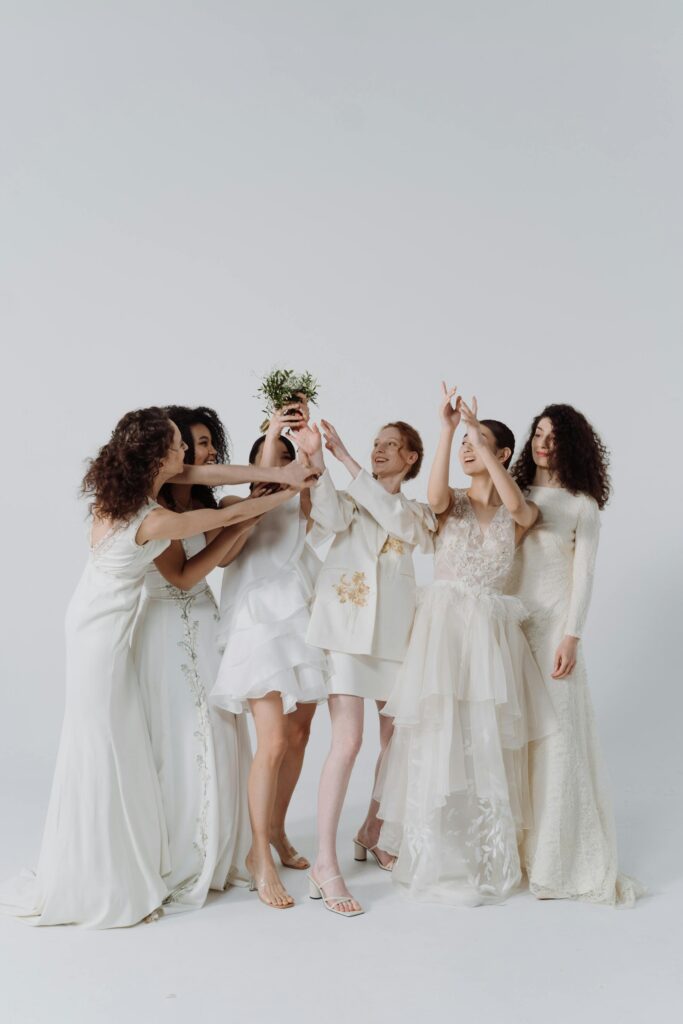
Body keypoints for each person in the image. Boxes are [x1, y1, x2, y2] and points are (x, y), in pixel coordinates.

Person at [0, 408, 314, 928]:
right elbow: (212, 520)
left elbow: (213, 478)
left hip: (96, 625)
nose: (184, 454)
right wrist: (283, 492)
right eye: (175, 444)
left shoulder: (125, 497)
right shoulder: (154, 518)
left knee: (114, 743)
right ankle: (103, 875)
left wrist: (280, 473)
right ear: (156, 455)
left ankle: (115, 857)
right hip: (98, 639)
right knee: (102, 745)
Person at [376, 386, 556, 905]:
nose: (468, 451)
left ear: (503, 455)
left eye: (480, 444)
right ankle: (432, 855)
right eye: (464, 446)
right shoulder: (449, 504)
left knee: (486, 739)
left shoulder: (521, 511)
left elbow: (518, 506)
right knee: (438, 733)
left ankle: (486, 856)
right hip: (443, 631)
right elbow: (433, 497)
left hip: (490, 637)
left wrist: (478, 428)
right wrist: (450, 428)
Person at [295, 416, 436, 916]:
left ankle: (373, 830)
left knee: (397, 741)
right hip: (346, 634)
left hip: (397, 639)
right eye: (375, 445)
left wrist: (346, 455)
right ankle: (325, 862)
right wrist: (317, 456)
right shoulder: (353, 496)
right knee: (348, 742)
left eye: (389, 446)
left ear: (411, 457)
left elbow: (399, 523)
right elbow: (328, 518)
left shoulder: (417, 511)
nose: (378, 451)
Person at [508, 404, 644, 905]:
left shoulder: (582, 505)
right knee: (512, 736)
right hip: (509, 623)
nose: (543, 443)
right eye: (538, 433)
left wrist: (572, 636)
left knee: (556, 739)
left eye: (554, 436)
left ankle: (555, 856)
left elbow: (583, 574)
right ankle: (511, 851)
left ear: (573, 445)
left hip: (552, 631)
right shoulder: (514, 492)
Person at [131, 406, 260, 909]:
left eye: (208, 444)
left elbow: (221, 557)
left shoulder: (202, 498)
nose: (204, 453)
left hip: (207, 621)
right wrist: (243, 515)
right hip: (164, 627)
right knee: (182, 735)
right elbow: (181, 575)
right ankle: (183, 853)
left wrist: (247, 517)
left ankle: (224, 846)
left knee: (222, 729)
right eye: (196, 443)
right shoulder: (155, 507)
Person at [211, 406, 329, 910]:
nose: (281, 462)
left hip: (302, 615)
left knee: (300, 734)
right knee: (273, 739)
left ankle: (277, 830)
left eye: (287, 457)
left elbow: (319, 503)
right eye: (271, 456)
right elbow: (230, 555)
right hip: (259, 622)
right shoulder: (241, 500)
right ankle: (257, 853)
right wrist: (274, 433)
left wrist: (307, 449)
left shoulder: (304, 500)